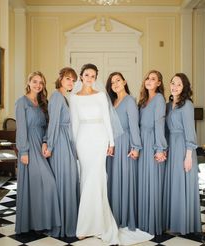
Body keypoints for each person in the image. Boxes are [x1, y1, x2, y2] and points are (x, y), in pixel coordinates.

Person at [70, 64, 119, 244]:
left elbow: (107, 119)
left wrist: (111, 142)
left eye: (93, 75)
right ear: (81, 76)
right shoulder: (74, 98)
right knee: (86, 179)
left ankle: (98, 225)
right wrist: (74, 146)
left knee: (96, 178)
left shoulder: (100, 95)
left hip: (100, 138)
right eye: (86, 74)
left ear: (95, 78)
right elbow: (74, 122)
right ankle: (86, 225)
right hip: (83, 139)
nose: (89, 78)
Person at [15, 71, 60, 234]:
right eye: (35, 81)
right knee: (46, 183)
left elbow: (48, 125)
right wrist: (24, 151)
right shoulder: (22, 102)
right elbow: (21, 128)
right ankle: (33, 222)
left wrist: (46, 142)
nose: (38, 85)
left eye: (41, 83)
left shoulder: (43, 103)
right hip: (29, 146)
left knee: (40, 185)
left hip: (42, 145)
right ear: (29, 82)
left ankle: (41, 222)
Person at [163, 73, 201, 234]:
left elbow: (190, 132)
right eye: (173, 83)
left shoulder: (187, 105)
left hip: (184, 148)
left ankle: (183, 225)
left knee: (181, 184)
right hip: (171, 146)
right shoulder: (168, 105)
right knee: (173, 184)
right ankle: (172, 222)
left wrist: (188, 156)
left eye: (179, 84)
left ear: (184, 87)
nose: (175, 86)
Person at [43, 67, 80, 237]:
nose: (71, 82)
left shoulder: (66, 96)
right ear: (60, 79)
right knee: (65, 180)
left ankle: (69, 222)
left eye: (73, 80)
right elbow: (53, 123)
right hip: (59, 142)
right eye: (68, 78)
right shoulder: (57, 96)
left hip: (67, 141)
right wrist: (49, 145)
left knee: (70, 180)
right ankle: (63, 225)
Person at [106, 72, 141, 230]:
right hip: (113, 145)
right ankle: (114, 215)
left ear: (125, 81)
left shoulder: (129, 101)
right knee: (113, 179)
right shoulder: (113, 101)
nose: (115, 84)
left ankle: (126, 217)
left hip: (126, 144)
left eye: (118, 80)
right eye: (112, 82)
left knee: (125, 180)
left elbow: (134, 126)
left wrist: (135, 147)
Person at [137, 70, 167, 235]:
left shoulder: (159, 99)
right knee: (143, 181)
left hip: (152, 142)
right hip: (142, 141)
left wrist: (160, 148)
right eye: (147, 78)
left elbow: (159, 123)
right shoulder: (142, 101)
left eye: (153, 79)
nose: (149, 80)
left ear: (159, 83)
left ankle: (153, 223)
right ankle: (143, 221)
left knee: (152, 182)